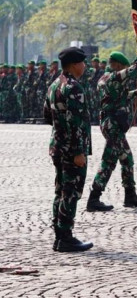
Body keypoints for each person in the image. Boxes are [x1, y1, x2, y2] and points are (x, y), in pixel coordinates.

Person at [86, 52, 137, 212]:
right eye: (123, 67)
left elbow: (118, 96)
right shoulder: (113, 77)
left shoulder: (105, 79)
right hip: (112, 124)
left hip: (111, 123)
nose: (124, 69)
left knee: (123, 159)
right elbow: (133, 70)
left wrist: (136, 92)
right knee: (112, 160)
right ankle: (94, 198)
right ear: (118, 65)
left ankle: (129, 196)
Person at [47, 47, 94, 252]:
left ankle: (59, 235)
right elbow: (75, 122)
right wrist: (78, 152)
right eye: (83, 62)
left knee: (61, 190)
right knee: (71, 191)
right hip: (71, 149)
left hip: (57, 145)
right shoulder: (73, 87)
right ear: (75, 64)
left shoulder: (54, 85)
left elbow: (48, 117)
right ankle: (65, 236)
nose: (84, 66)